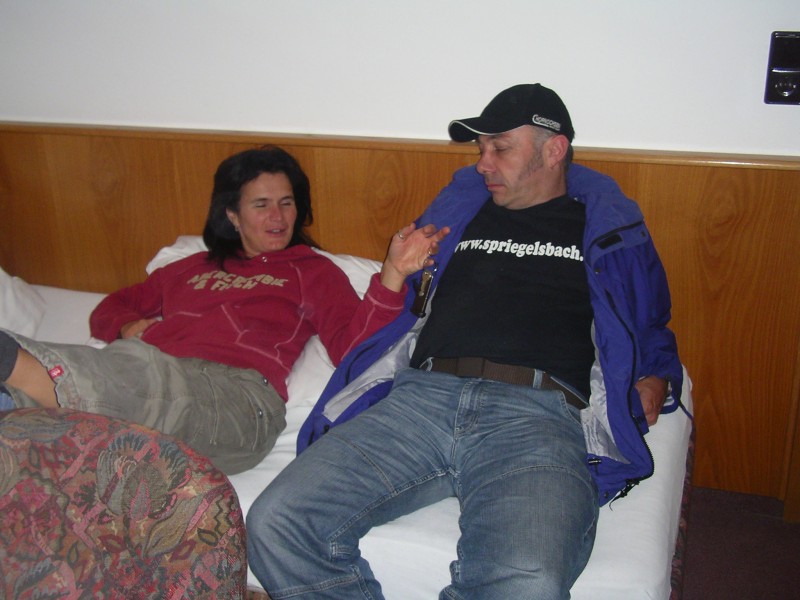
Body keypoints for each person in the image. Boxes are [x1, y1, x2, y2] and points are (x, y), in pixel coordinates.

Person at [245, 85, 684, 599]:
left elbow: (649, 317)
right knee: (278, 521)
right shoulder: (457, 213)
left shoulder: (608, 229)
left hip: (536, 417)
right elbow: (386, 316)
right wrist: (393, 274)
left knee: (529, 580)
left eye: (500, 148)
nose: (482, 163)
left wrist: (657, 375)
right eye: (481, 149)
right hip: (419, 401)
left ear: (554, 149)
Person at [0, 145, 448, 475]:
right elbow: (111, 307)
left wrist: (391, 274)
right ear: (232, 215)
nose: (278, 216)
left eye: (286, 202)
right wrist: (127, 325)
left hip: (237, 403)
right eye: (261, 205)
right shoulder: (189, 267)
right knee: (48, 413)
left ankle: (17, 363)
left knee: (137, 375)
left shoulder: (311, 271)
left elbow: (354, 348)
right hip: (147, 369)